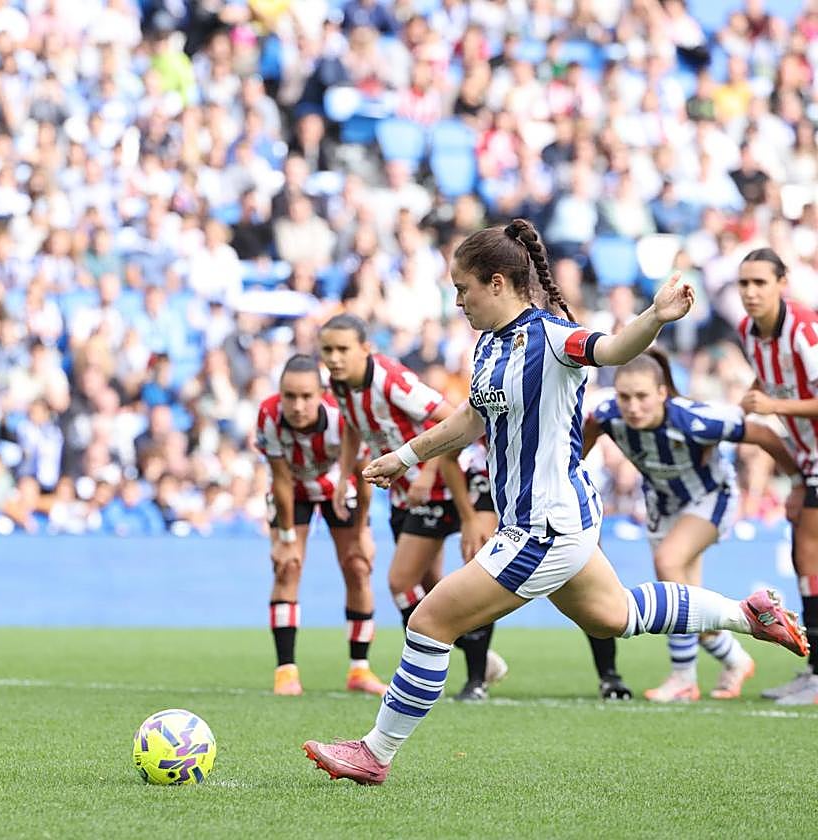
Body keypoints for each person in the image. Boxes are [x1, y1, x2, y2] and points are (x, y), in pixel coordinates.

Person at [303, 219, 808, 786]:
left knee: (428, 622)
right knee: (616, 616)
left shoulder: (553, 336)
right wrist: (405, 456)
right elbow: (472, 418)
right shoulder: (489, 346)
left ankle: (375, 753)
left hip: (543, 526)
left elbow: (613, 348)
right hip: (555, 519)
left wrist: (656, 315)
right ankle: (749, 614)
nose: (459, 300)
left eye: (463, 288)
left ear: (497, 283)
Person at [584, 349, 798, 701]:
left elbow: (762, 435)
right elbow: (584, 441)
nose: (633, 406)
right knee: (687, 601)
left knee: (668, 564)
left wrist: (798, 481)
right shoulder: (608, 416)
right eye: (625, 397)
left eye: (642, 397)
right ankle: (735, 660)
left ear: (662, 393)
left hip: (711, 498)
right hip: (662, 504)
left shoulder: (695, 420)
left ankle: (683, 677)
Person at [318, 313, 506, 702]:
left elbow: (452, 419)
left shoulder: (392, 380)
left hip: (449, 483)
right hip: (407, 492)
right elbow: (354, 427)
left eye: (342, 350)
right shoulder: (339, 384)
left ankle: (456, 672)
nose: (334, 358)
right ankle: (477, 658)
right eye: (327, 350)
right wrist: (343, 477)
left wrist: (427, 470)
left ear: (365, 349)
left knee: (403, 581)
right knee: (432, 589)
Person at [254, 354, 385, 696]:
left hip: (337, 489)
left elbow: (363, 473)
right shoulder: (268, 416)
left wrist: (363, 531)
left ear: (321, 393)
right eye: (290, 396)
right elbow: (281, 480)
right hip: (293, 491)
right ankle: (286, 672)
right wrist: (284, 538)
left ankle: (359, 669)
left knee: (358, 567)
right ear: (280, 394)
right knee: (288, 567)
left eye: (306, 396)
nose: (297, 406)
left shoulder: (340, 419)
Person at [736, 247, 818, 703]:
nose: (750, 293)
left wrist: (771, 407)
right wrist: (750, 397)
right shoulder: (749, 331)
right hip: (807, 458)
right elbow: (767, 382)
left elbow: (780, 397)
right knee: (805, 557)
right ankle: (813, 670)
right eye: (744, 284)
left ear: (782, 284)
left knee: (808, 554)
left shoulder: (805, 330)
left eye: (760, 283)